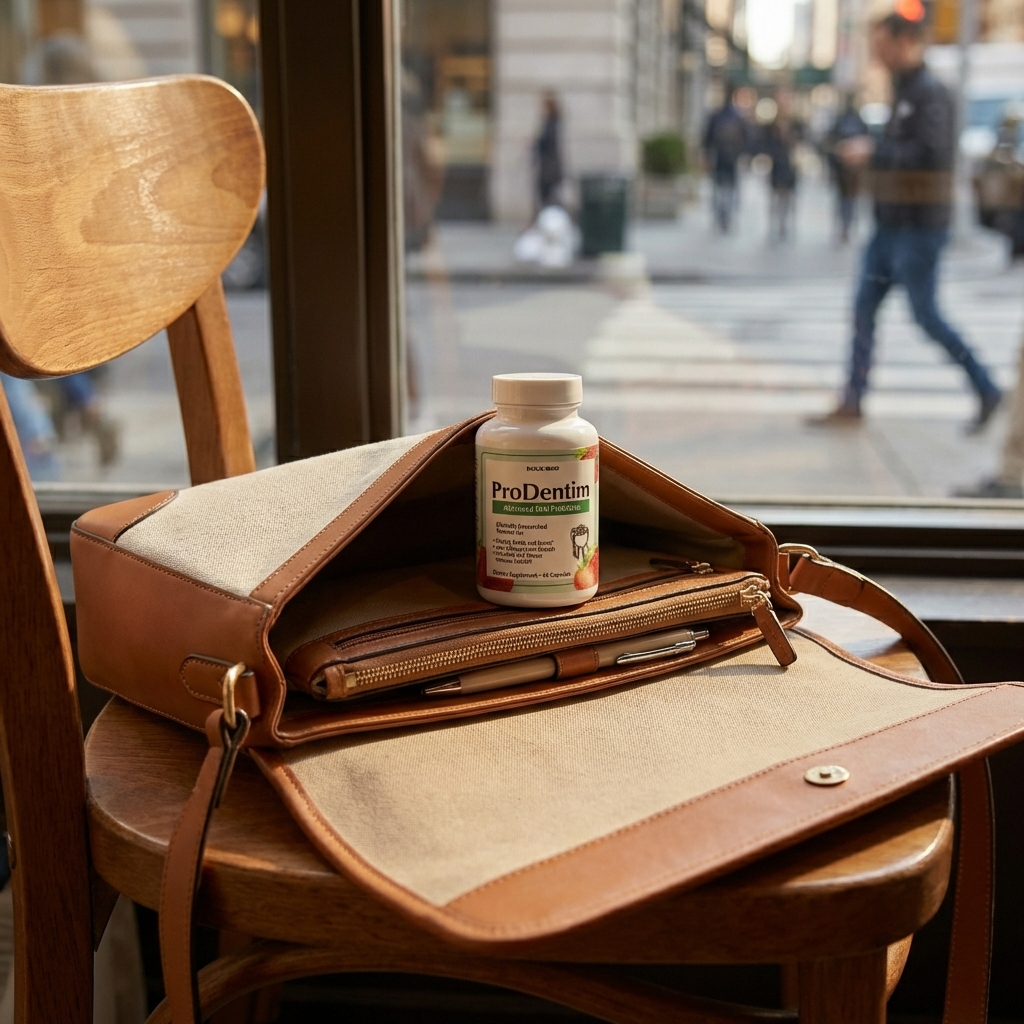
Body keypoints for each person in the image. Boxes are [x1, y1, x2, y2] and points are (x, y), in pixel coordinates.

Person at [812, 0, 1002, 433]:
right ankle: (853, 399)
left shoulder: (929, 93)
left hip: (918, 229)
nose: (877, 55)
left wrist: (874, 152)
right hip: (890, 225)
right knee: (863, 309)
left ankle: (986, 387)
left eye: (882, 46)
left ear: (905, 42)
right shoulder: (904, 90)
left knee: (926, 316)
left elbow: (931, 156)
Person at [703, 92, 748, 232]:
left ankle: (721, 216)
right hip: (731, 159)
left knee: (719, 189)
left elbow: (707, 140)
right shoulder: (738, 118)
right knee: (730, 189)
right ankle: (726, 217)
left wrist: (707, 156)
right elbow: (746, 140)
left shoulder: (716, 117)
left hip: (721, 158)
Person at [827, 97, 869, 243]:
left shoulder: (849, 122)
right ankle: (845, 227)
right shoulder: (847, 122)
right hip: (843, 169)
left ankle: (846, 227)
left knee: (848, 200)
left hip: (851, 170)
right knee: (845, 200)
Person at [761, 112, 799, 242]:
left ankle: (784, 225)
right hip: (776, 170)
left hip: (789, 171)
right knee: (775, 201)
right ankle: (775, 225)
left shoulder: (795, 131)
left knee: (787, 201)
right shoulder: (771, 133)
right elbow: (764, 148)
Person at [533, 92, 563, 211]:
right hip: (549, 166)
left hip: (549, 167)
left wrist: (535, 142)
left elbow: (547, 143)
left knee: (547, 195)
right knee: (548, 195)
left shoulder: (551, 123)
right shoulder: (550, 122)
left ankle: (550, 216)